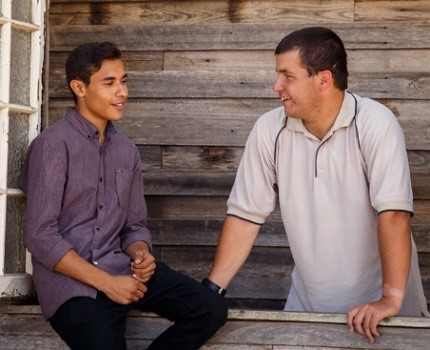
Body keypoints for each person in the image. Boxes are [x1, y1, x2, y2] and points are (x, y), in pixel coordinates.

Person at [205, 26, 429, 344]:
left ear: (323, 80)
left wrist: (390, 299)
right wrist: (211, 291)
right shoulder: (270, 129)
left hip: (383, 316)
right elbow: (245, 216)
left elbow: (393, 212)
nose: (276, 86)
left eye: (287, 76)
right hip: (307, 309)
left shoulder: (374, 122)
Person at [20, 41, 227, 350]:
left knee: (210, 309)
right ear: (79, 87)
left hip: (122, 270)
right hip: (73, 289)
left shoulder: (126, 150)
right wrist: (108, 284)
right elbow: (40, 236)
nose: (123, 92)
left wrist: (140, 255)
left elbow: (134, 226)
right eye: (109, 83)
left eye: (124, 81)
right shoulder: (52, 146)